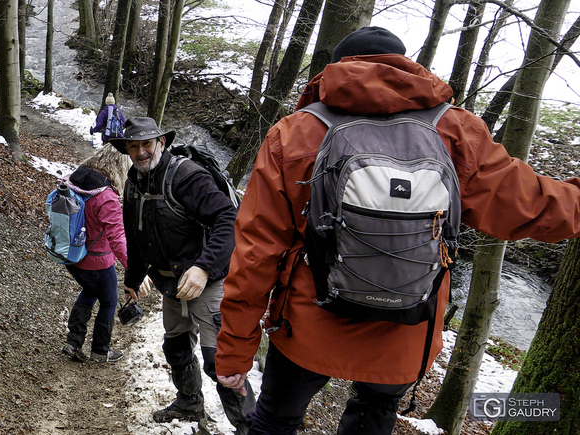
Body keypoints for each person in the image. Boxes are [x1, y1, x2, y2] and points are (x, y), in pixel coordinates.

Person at [215, 26, 580, 435]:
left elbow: (256, 253)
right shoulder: (456, 131)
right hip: (406, 330)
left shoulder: (295, 132)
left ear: (335, 67)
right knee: (374, 414)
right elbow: (531, 205)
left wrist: (235, 351)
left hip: (308, 324)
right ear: (407, 65)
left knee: (275, 420)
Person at [110, 117, 254, 432]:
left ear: (162, 143)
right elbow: (135, 237)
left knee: (222, 363)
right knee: (176, 348)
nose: (140, 151)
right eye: (133, 146)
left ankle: (249, 427)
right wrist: (133, 278)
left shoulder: (187, 177)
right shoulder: (134, 182)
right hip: (171, 284)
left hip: (210, 282)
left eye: (147, 143)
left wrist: (203, 268)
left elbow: (227, 219)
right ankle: (189, 403)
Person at [60, 144, 132, 363]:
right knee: (109, 301)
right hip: (96, 262)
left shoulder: (72, 180)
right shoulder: (107, 197)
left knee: (90, 291)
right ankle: (101, 351)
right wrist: (134, 267)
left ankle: (72, 343)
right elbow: (118, 239)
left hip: (70, 256)